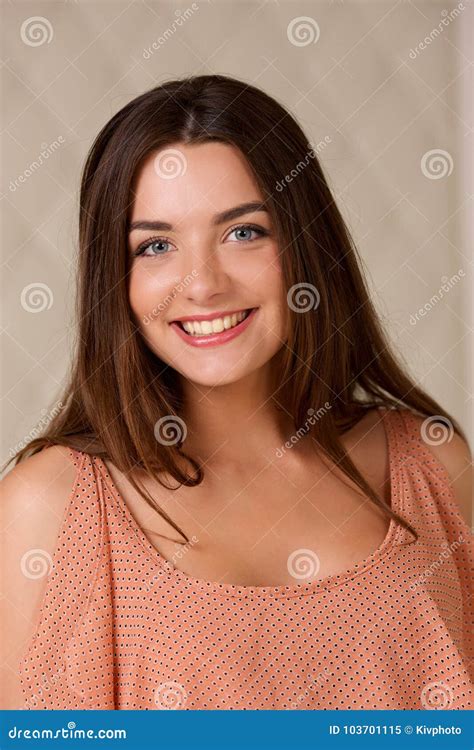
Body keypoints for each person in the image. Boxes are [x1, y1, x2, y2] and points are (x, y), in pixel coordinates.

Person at [1, 74, 472, 710]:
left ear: (306, 245)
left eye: (244, 232)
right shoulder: (47, 507)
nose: (202, 285)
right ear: (116, 278)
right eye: (156, 245)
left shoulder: (434, 465)